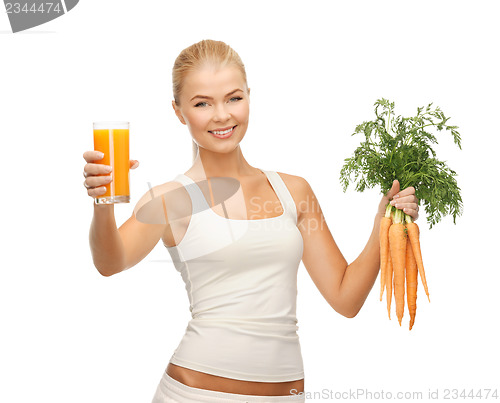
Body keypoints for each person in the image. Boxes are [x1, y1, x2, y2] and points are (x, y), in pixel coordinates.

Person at [83, 39, 419, 402]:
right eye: (201, 104)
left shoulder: (294, 191)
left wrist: (384, 223)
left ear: (248, 96)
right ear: (179, 111)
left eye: (233, 98)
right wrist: (103, 203)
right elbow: (109, 262)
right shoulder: (170, 199)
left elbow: (345, 298)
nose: (222, 115)